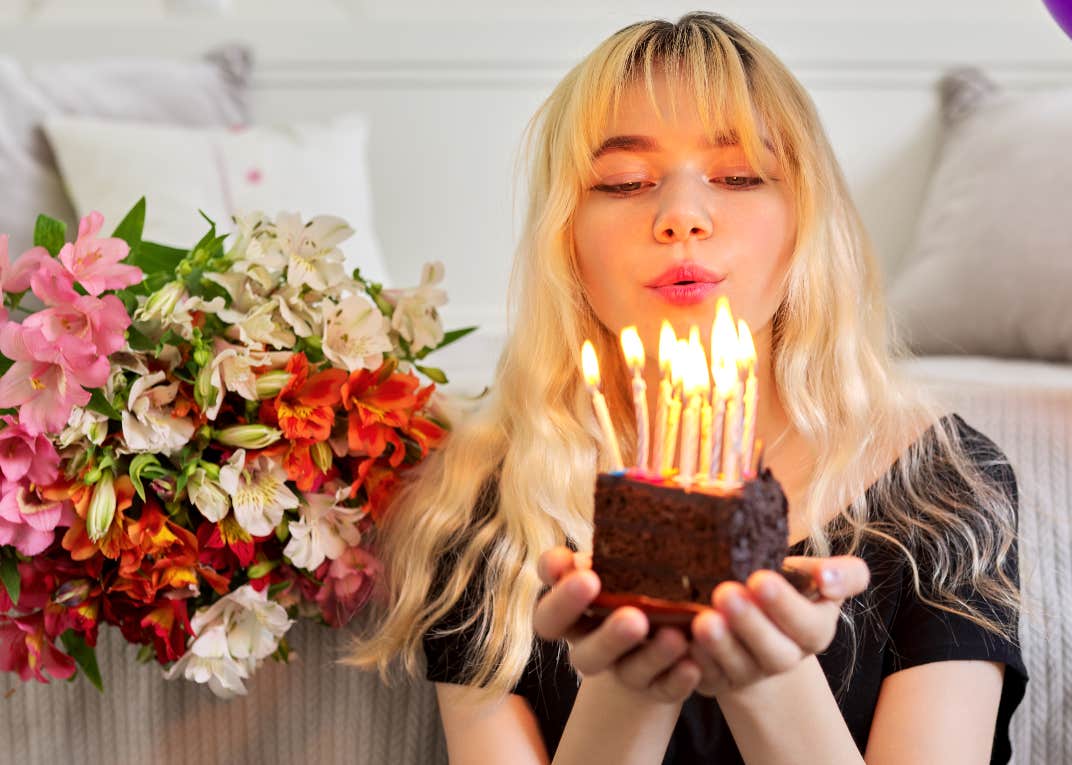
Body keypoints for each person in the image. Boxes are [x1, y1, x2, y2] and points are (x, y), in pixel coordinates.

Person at [341, 12, 1027, 764]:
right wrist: (633, 680)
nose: (681, 217)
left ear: (806, 215)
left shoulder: (941, 486)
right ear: (566, 238)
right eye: (624, 182)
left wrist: (769, 674)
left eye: (737, 176)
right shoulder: (490, 503)